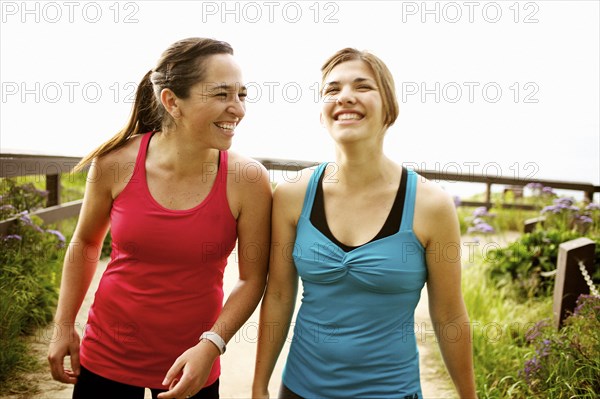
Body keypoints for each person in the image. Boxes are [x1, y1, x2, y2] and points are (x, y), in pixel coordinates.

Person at [47, 37, 272, 399]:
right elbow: (86, 242)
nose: (238, 109)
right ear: (171, 101)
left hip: (193, 364)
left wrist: (212, 344)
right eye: (221, 95)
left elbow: (251, 279)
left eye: (242, 95)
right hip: (106, 356)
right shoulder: (115, 163)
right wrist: (63, 326)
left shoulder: (248, 180)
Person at [252, 48, 477, 398]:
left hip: (392, 391)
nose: (345, 97)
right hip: (299, 389)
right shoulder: (292, 194)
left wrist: (468, 396)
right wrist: (259, 385)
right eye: (332, 89)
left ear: (389, 107)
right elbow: (280, 294)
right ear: (322, 111)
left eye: (362, 86)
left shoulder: (431, 205)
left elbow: (449, 315)